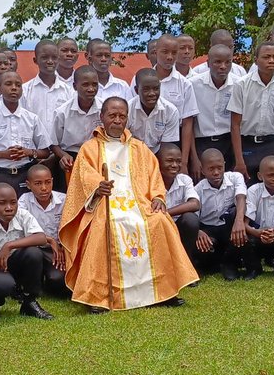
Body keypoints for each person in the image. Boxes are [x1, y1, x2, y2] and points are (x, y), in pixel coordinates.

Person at [59, 97, 198, 309]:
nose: (117, 120)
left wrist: (159, 198)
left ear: (127, 119)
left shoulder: (139, 148)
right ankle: (98, 295)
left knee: (160, 222)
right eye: (112, 115)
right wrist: (97, 188)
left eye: (122, 116)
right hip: (104, 204)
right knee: (100, 228)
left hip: (139, 204)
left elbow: (154, 178)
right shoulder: (89, 149)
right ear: (102, 117)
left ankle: (163, 291)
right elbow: (82, 179)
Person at [0, 182, 54, 324]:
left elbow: (40, 237)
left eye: (13, 203)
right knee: (3, 284)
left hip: (14, 260)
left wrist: (9, 245)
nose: (9, 208)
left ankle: (29, 302)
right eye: (2, 203)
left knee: (33, 253)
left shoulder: (22, 215)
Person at [229, 41, 274, 182]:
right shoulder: (241, 84)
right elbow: (235, 124)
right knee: (247, 188)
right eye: (266, 57)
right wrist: (239, 161)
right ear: (256, 60)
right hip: (246, 143)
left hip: (271, 142)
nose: (271, 61)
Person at [0, 70, 50, 194]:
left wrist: (28, 152)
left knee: (25, 211)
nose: (14, 88)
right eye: (8, 84)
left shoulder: (32, 118)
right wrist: (4, 154)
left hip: (25, 174)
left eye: (18, 85)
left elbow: (46, 151)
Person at [190, 148, 247, 279]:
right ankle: (208, 264)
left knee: (236, 214)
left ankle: (230, 264)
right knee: (202, 246)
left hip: (229, 226)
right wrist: (198, 232)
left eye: (219, 168)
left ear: (224, 165)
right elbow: (194, 217)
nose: (216, 172)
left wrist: (239, 221)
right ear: (202, 170)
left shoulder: (235, 177)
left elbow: (241, 197)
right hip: (209, 228)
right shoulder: (197, 189)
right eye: (211, 169)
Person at [18, 163, 68, 297]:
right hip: (33, 247)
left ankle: (49, 283)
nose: (44, 188)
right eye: (38, 183)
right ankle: (32, 287)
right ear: (28, 185)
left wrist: (63, 246)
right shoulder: (24, 201)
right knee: (33, 254)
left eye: (47, 182)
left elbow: (70, 227)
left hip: (57, 249)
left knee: (58, 280)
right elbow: (25, 231)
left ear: (52, 181)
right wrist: (50, 241)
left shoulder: (64, 200)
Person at [147, 35, 197, 168]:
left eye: (174, 53)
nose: (169, 57)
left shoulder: (185, 84)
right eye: (165, 52)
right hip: (145, 138)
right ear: (155, 52)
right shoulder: (140, 79)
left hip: (175, 140)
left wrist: (185, 163)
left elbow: (187, 123)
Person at [189, 43, 237, 176]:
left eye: (228, 62)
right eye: (217, 62)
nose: (223, 66)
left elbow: (238, 122)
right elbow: (189, 123)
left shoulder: (238, 85)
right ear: (208, 63)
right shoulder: (193, 85)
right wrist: (194, 157)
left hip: (228, 142)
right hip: (202, 143)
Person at [52, 66, 103, 177]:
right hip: (70, 158)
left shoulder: (104, 109)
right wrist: (63, 155)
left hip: (98, 157)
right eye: (85, 85)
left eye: (94, 84)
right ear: (75, 86)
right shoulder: (62, 112)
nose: (91, 89)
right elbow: (54, 144)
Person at [22, 40, 76, 142]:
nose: (50, 61)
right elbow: (21, 122)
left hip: (62, 153)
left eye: (54, 58)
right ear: (35, 60)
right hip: (33, 151)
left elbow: (72, 124)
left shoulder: (69, 92)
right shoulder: (25, 91)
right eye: (44, 57)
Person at [157, 143, 200, 263]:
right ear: (158, 162)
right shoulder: (152, 181)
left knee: (191, 219)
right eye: (169, 161)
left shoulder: (184, 179)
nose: (175, 165)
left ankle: (187, 264)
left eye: (178, 161)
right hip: (158, 226)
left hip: (178, 226)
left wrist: (166, 213)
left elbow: (195, 204)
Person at [128, 68, 181, 153]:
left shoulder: (170, 111)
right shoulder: (127, 109)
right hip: (132, 154)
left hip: (158, 155)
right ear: (136, 90)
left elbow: (166, 147)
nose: (152, 93)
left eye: (156, 88)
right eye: (146, 89)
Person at [86, 39, 132, 104]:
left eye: (107, 56)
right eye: (99, 55)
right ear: (90, 59)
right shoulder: (84, 85)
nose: (104, 59)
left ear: (111, 59)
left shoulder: (122, 86)